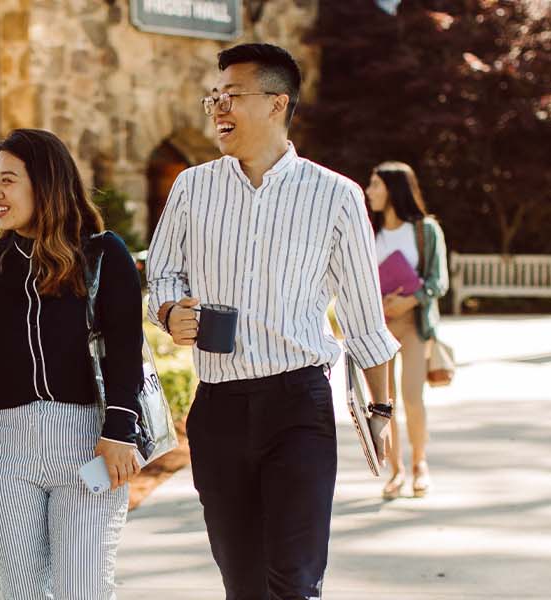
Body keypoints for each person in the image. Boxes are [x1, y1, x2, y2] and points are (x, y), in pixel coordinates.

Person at [145, 43, 399, 600]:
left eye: (232, 96)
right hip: (218, 407)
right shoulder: (193, 188)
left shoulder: (336, 196)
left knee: (295, 579)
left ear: (277, 104)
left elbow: (364, 319)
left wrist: (382, 411)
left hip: (297, 407)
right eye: (215, 96)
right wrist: (170, 312)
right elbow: (160, 277)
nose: (218, 108)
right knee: (243, 583)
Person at [0, 128, 145, 600]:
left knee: (85, 589)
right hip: (5, 448)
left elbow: (124, 346)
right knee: (25, 594)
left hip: (88, 442)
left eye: (8, 180)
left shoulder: (101, 253)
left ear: (46, 184)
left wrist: (120, 431)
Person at [367, 161, 448, 499]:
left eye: (375, 185)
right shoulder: (369, 232)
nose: (369, 192)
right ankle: (396, 471)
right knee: (386, 403)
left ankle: (419, 464)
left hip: (413, 324)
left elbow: (438, 281)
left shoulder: (425, 230)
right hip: (379, 327)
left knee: (413, 398)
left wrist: (409, 300)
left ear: (393, 188)